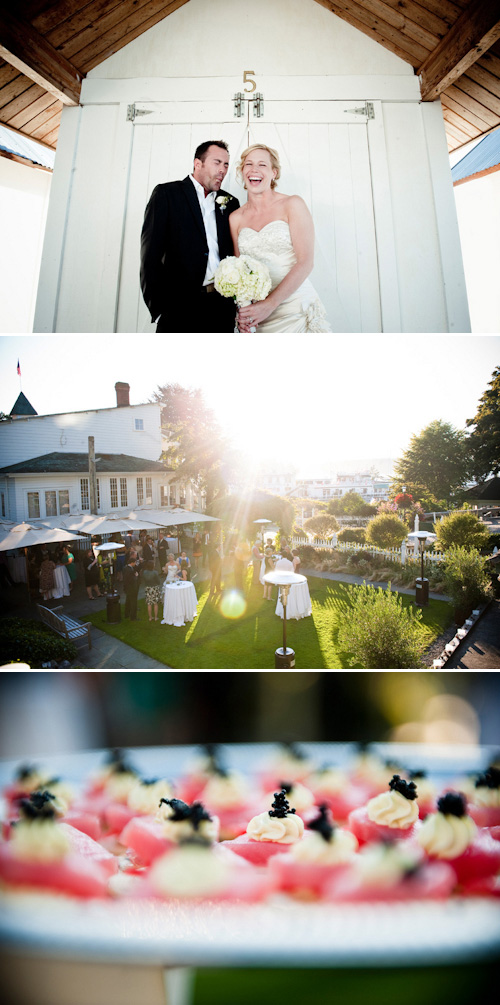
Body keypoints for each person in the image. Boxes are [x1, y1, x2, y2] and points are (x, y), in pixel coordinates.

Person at [140, 140, 240, 333]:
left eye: (226, 164)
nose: (223, 170)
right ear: (198, 164)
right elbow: (149, 256)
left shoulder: (230, 203)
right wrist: (159, 310)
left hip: (220, 309)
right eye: (217, 162)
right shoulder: (167, 194)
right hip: (178, 310)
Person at [229, 144, 330, 333]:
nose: (254, 169)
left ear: (274, 173)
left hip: (295, 308)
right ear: (242, 171)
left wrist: (270, 304)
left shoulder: (292, 204)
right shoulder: (235, 218)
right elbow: (239, 272)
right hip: (258, 317)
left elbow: (306, 262)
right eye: (248, 164)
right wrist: (242, 313)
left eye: (262, 165)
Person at [123, 550, 141, 620]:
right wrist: (136, 576)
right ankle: (133, 617)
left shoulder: (126, 568)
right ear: (132, 563)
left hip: (127, 588)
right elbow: (131, 579)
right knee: (133, 602)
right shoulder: (129, 570)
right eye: (135, 563)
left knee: (128, 601)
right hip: (132, 588)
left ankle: (126, 614)